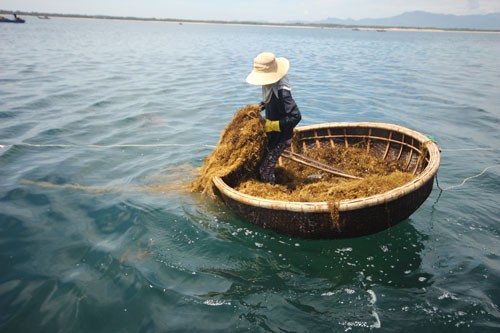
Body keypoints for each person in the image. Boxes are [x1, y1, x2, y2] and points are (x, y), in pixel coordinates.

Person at [246, 52, 301, 184]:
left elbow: (296, 116)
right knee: (261, 161)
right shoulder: (270, 86)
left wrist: (273, 125)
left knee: (265, 171)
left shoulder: (283, 92)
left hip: (281, 137)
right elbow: (267, 101)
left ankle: (273, 189)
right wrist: (257, 109)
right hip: (273, 134)